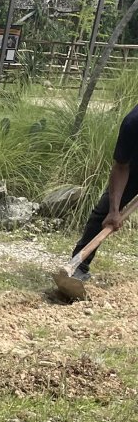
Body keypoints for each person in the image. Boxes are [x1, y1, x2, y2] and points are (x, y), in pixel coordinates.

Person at [69, 102, 138, 287]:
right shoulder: (133, 123)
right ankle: (78, 266)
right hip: (134, 168)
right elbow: (121, 167)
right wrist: (114, 211)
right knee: (104, 212)